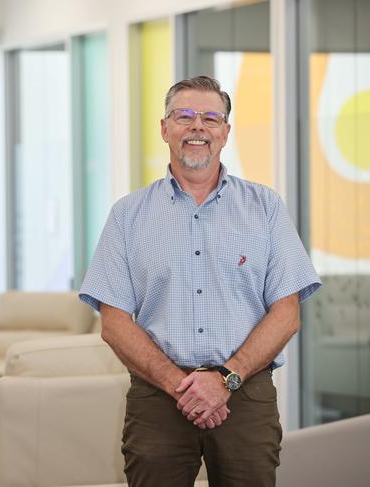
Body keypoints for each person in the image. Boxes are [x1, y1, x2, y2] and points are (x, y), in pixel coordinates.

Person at [79, 76, 321, 487]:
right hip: (157, 398)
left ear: (225, 133)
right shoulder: (128, 215)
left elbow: (286, 315)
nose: (198, 127)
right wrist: (182, 387)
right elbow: (114, 324)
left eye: (211, 118)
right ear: (164, 128)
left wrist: (225, 379)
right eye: (184, 116)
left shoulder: (265, 208)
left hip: (246, 396)